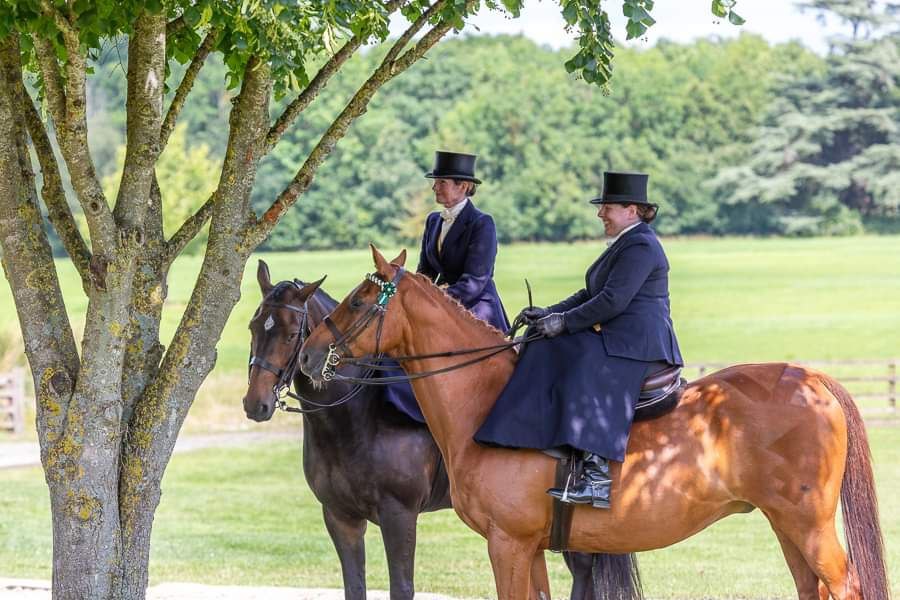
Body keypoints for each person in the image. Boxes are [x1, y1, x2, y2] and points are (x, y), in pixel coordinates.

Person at [474, 171, 683, 509]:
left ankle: (598, 476)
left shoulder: (641, 245)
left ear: (632, 210)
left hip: (637, 343)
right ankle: (538, 433)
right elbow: (589, 293)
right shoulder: (626, 242)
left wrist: (564, 324)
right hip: (618, 333)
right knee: (540, 340)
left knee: (577, 356)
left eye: (607, 208)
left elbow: (612, 301)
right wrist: (548, 315)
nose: (600, 214)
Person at [382, 151, 510, 421]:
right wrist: (408, 294)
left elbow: (475, 281)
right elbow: (425, 271)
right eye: (435, 182)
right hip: (442, 303)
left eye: (441, 182)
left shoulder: (482, 223)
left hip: (477, 308)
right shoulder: (433, 221)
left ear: (462, 186)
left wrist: (432, 303)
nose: (434, 187)